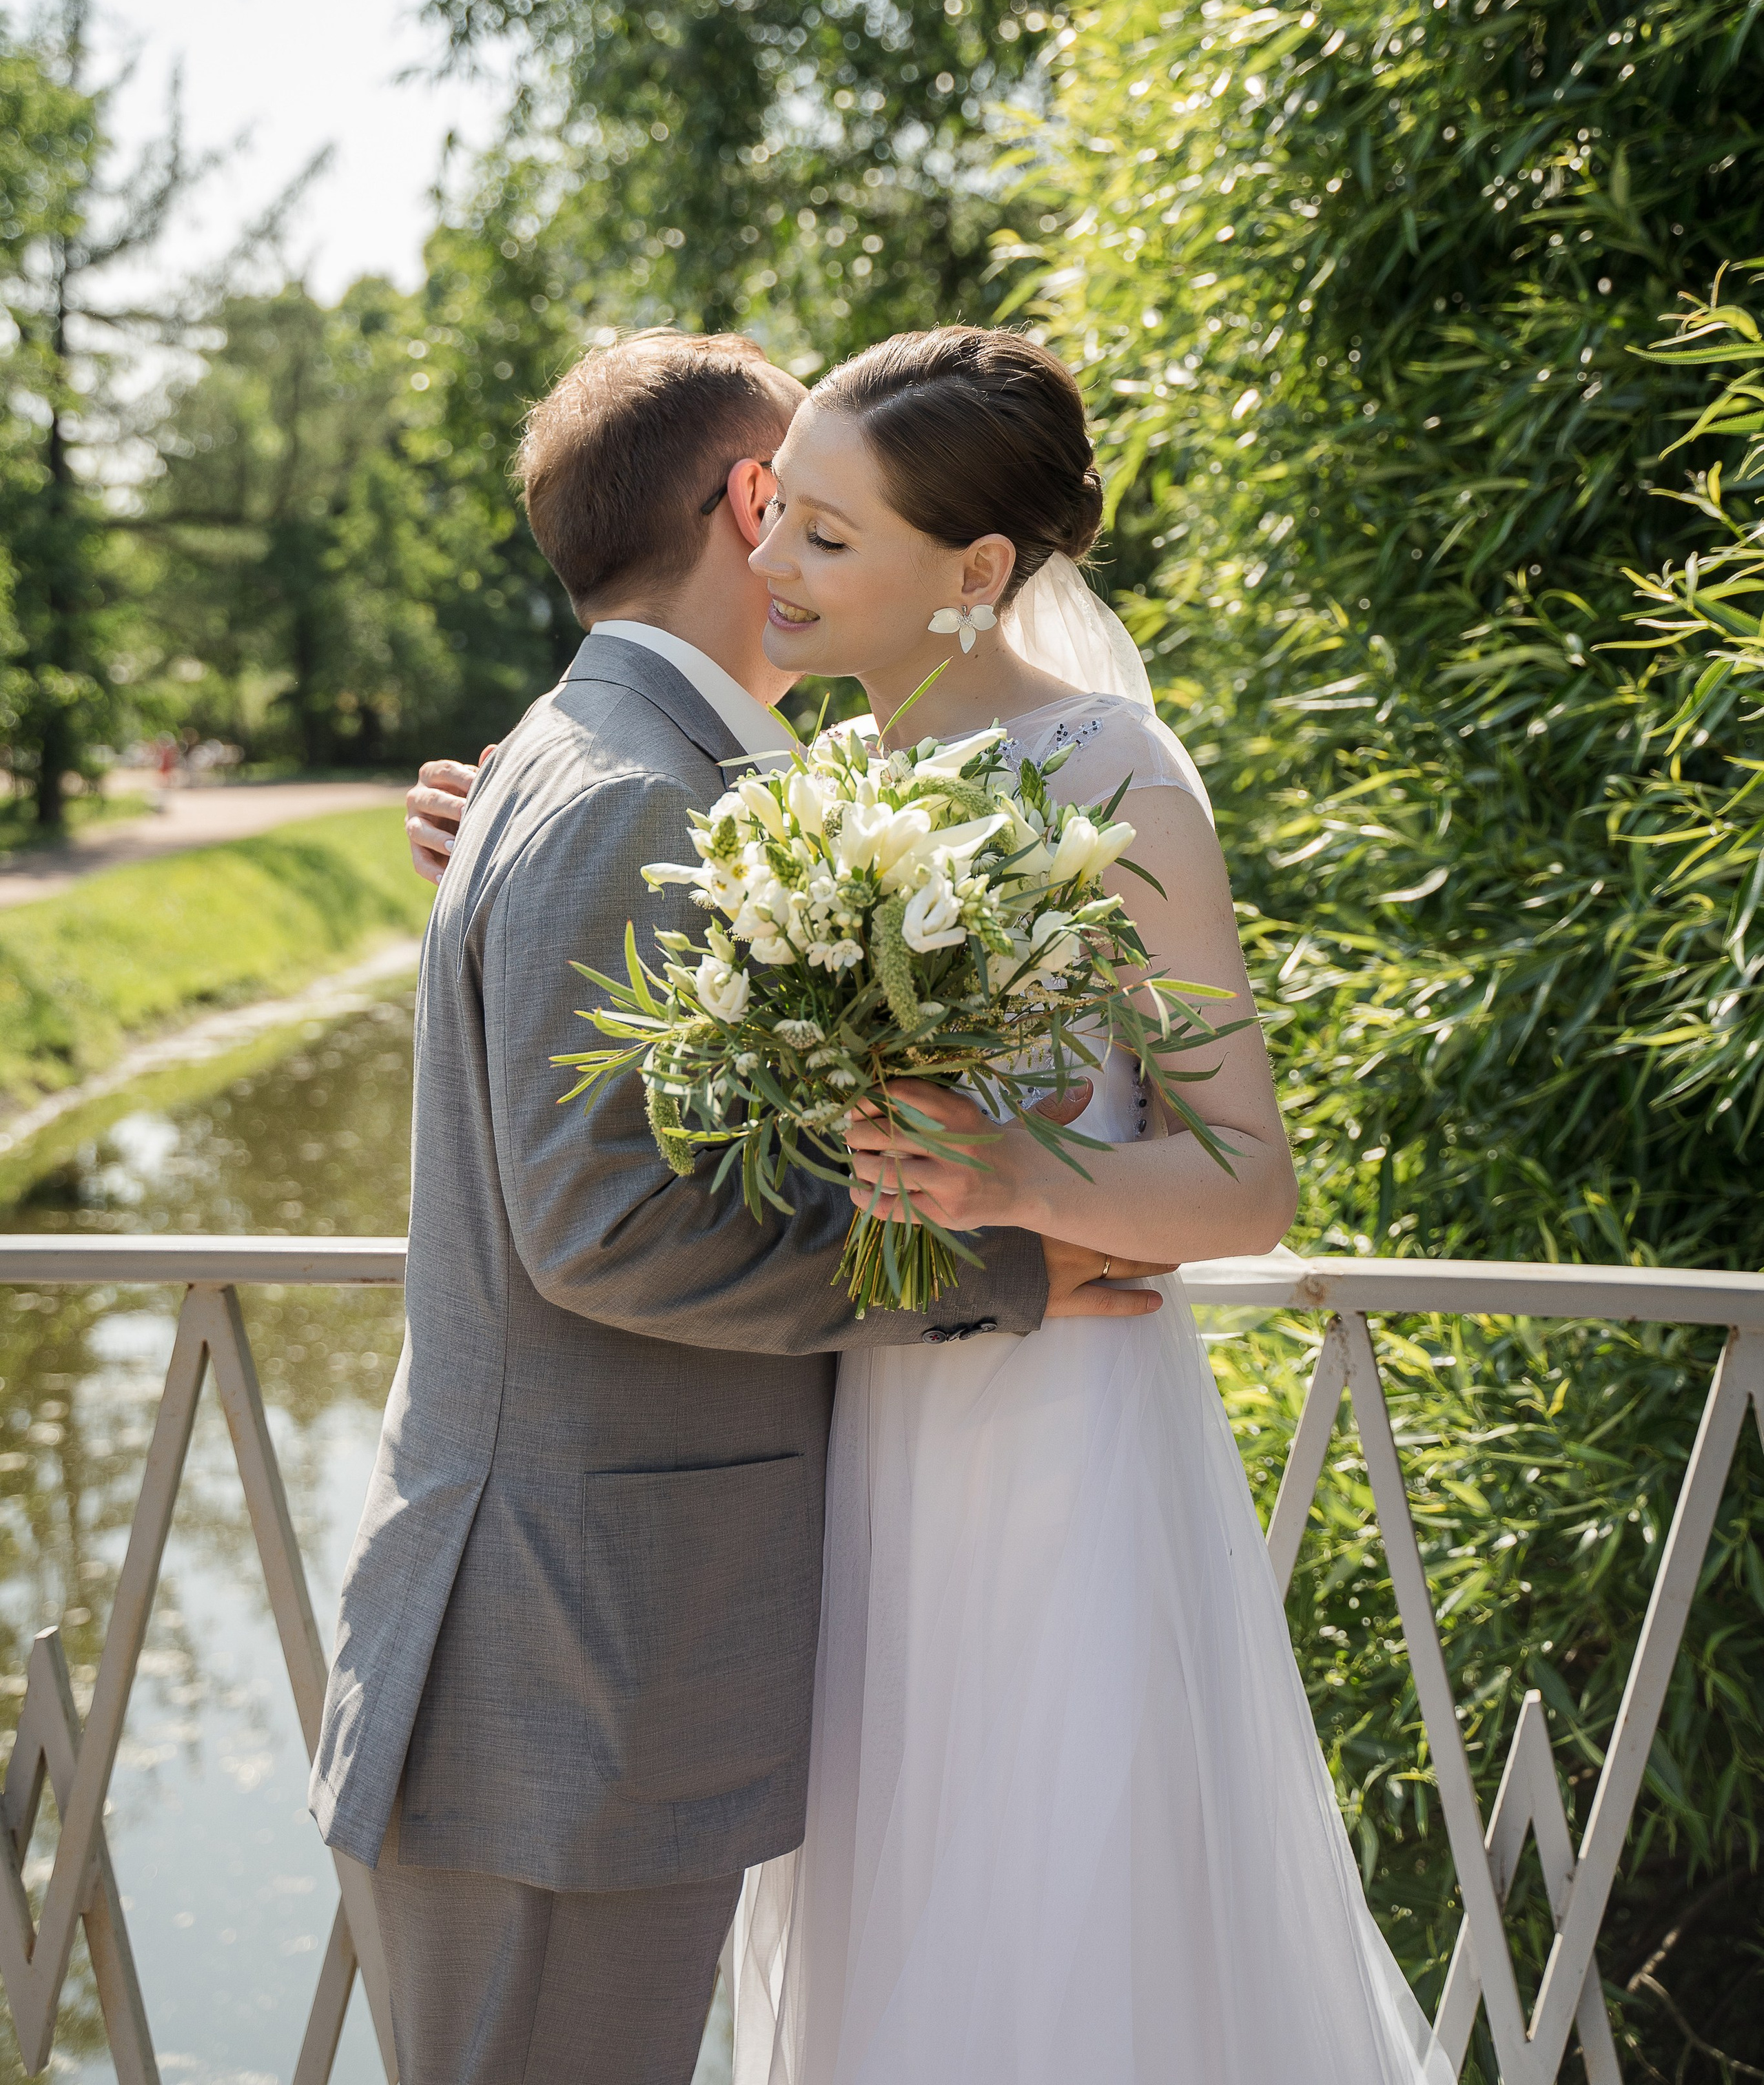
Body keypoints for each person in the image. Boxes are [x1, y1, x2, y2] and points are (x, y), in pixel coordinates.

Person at [409, 325, 1449, 2083]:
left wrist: (1021, 1186)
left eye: (825, 533)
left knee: (1053, 1923)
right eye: (777, 517)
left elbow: (1246, 1179)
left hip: (1053, 1445)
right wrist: (496, 847)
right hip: (848, 1455)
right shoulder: (788, 792)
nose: (772, 560)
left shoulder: (1116, 777)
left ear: (973, 574)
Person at [320, 329, 1152, 2085]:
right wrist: (997, 1265)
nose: (821, 548)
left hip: (588, 1665)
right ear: (752, 501)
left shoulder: (640, 774)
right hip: (560, 1682)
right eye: (818, 504)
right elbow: (606, 1233)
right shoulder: (628, 798)